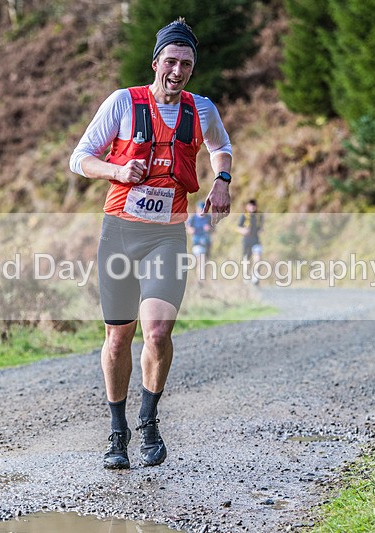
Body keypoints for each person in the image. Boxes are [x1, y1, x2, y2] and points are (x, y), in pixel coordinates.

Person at [69, 17, 233, 469]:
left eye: (186, 64)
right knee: (118, 339)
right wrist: (118, 171)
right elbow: (79, 158)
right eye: (171, 61)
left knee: (158, 333)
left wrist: (222, 179)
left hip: (166, 235)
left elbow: (222, 145)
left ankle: (148, 421)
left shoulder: (201, 110)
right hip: (120, 232)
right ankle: (116, 432)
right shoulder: (123, 103)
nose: (178, 70)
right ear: (156, 61)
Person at [237, 199, 263, 285]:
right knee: (246, 260)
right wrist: (243, 230)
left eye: (254, 205)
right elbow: (238, 228)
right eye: (250, 205)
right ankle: (246, 278)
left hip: (256, 240)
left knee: (257, 258)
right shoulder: (244, 216)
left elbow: (261, 227)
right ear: (247, 207)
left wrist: (261, 230)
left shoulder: (259, 216)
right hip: (247, 241)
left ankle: (255, 278)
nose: (252, 207)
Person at [187, 200, 213, 279]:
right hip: (197, 243)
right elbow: (188, 228)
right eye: (200, 209)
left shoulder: (209, 218)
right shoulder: (193, 218)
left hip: (207, 243)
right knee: (201, 261)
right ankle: (200, 280)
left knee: (206, 262)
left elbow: (214, 229)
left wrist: (209, 228)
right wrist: (191, 230)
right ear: (197, 209)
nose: (201, 211)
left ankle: (203, 279)